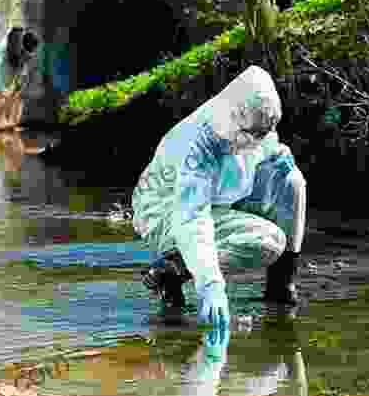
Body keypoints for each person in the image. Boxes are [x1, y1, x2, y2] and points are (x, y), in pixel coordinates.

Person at [131, 65, 307, 326]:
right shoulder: (198, 144)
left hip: (222, 198)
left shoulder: (255, 120)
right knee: (269, 242)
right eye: (254, 133)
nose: (261, 139)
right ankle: (174, 268)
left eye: (266, 131)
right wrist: (210, 285)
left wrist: (278, 156)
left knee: (291, 181)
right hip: (166, 212)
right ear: (236, 118)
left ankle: (281, 287)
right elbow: (192, 219)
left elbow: (266, 148)